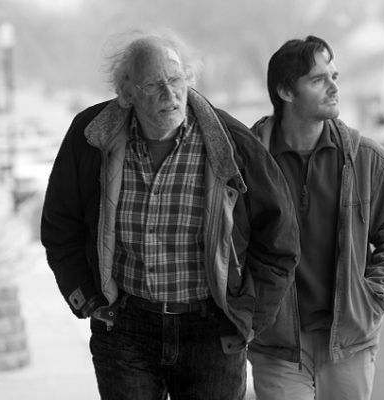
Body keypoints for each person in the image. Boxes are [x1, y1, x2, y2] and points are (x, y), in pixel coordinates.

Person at [40, 29, 300, 400]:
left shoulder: (231, 141)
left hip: (211, 332)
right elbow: (59, 226)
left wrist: (248, 317)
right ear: (126, 93)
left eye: (176, 80)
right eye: (152, 85)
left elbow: (280, 238)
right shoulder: (91, 135)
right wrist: (88, 299)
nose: (170, 94)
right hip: (125, 329)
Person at [247, 35, 384, 400]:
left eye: (334, 76)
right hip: (277, 344)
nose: (333, 87)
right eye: (318, 79)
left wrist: (374, 298)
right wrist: (247, 309)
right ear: (285, 91)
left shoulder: (370, 160)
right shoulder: (248, 162)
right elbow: (226, 242)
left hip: (348, 342)